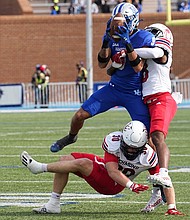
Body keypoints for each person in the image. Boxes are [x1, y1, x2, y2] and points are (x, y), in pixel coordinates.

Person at [50, 2, 155, 153]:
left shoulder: (144, 37)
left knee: (149, 136)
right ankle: (71, 137)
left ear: (133, 21)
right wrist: (106, 41)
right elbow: (101, 64)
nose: (119, 26)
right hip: (114, 88)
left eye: (123, 22)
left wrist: (127, 43)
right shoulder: (113, 36)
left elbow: (138, 67)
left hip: (135, 92)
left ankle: (159, 170)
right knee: (79, 116)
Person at [20, 121, 184, 215]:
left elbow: (165, 181)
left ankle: (39, 167)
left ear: (143, 146)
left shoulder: (149, 156)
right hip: (111, 173)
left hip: (114, 185)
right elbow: (111, 169)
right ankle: (53, 204)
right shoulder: (114, 141)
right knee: (66, 160)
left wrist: (172, 207)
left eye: (135, 149)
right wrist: (132, 185)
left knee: (83, 163)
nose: (131, 151)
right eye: (128, 146)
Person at [111, 23, 183, 188]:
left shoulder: (161, 52)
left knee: (157, 137)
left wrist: (127, 50)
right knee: (148, 141)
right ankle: (159, 193)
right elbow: (115, 68)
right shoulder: (141, 55)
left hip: (160, 98)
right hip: (147, 100)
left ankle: (163, 174)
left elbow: (155, 51)